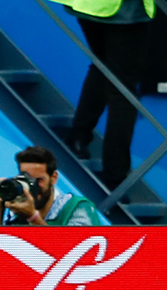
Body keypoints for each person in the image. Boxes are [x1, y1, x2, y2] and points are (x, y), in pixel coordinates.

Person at [57, 0, 154, 191]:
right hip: (123, 11)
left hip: (88, 6)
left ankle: (78, 137)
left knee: (103, 68)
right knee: (123, 91)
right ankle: (115, 177)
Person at [0, 145, 102, 226]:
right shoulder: (18, 212)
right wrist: (0, 208)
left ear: (53, 178)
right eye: (27, 179)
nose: (33, 186)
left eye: (39, 180)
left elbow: (74, 249)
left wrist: (33, 217)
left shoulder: (77, 207)